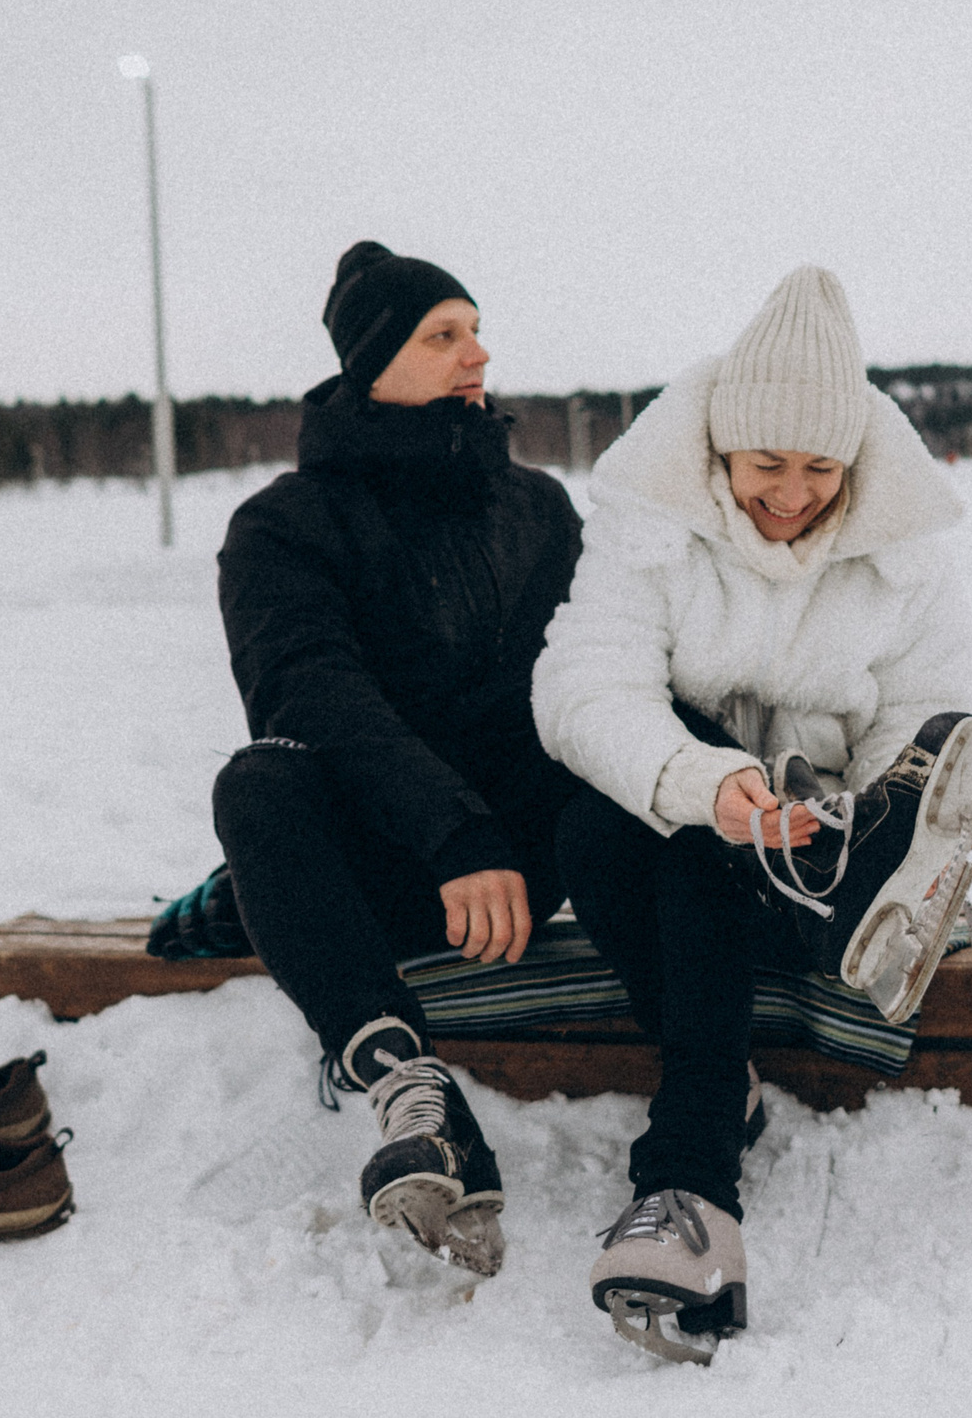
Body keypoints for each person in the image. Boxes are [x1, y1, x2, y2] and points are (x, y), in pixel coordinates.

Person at [532, 264, 972, 1361]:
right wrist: (706, 785)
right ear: (716, 450)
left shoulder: (903, 559)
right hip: (691, 852)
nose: (792, 492)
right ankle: (693, 1189)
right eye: (766, 465)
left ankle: (888, 881)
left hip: (827, 840)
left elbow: (932, 706)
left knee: (932, 750)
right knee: (608, 822)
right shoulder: (647, 525)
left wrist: (843, 811)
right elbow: (581, 688)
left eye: (819, 467)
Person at [206, 240, 582, 1276]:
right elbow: (308, 690)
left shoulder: (537, 508)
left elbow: (594, 674)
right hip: (393, 862)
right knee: (260, 781)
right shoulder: (283, 524)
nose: (477, 352)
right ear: (374, 360)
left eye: (474, 328)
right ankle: (410, 1088)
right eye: (443, 334)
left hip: (529, 849)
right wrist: (449, 829)